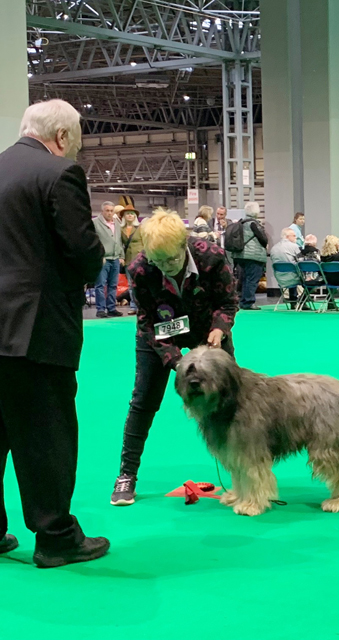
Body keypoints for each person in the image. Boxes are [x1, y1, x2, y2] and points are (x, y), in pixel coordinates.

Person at [0, 99, 110, 567]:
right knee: (47, 434)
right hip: (36, 326)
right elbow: (84, 253)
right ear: (63, 137)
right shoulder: (59, 174)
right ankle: (55, 536)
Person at [111, 209, 238, 506]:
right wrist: (176, 361)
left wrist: (219, 329)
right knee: (143, 401)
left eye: (171, 260)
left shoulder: (212, 257)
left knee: (232, 397)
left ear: (184, 245)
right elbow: (146, 321)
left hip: (208, 333)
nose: (166, 268)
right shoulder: (141, 268)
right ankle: (126, 474)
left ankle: (240, 474)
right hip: (160, 334)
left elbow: (228, 302)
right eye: (159, 261)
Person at [232, 201, 268, 311]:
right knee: (252, 279)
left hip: (240, 255)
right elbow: (263, 239)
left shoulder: (241, 222)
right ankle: (249, 302)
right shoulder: (254, 223)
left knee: (244, 278)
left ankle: (242, 301)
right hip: (253, 255)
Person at [93, 201, 124, 318]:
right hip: (103, 259)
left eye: (111, 211)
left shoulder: (117, 223)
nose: (110, 213)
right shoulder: (95, 223)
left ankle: (111, 308)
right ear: (102, 211)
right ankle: (100, 309)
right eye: (107, 210)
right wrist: (98, 256)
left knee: (113, 285)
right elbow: (93, 242)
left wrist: (121, 256)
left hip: (115, 258)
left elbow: (119, 241)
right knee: (100, 285)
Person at [119, 205, 143, 316]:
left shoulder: (140, 228)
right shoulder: (120, 229)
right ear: (124, 216)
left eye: (132, 214)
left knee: (141, 284)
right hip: (128, 260)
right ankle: (133, 306)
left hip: (140, 259)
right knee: (130, 285)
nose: (130, 215)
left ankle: (142, 306)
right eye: (127, 213)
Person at [270, 228, 302, 307]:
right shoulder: (295, 246)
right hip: (294, 278)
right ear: (287, 237)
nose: (296, 238)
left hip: (280, 278)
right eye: (294, 236)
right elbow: (301, 262)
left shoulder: (274, 248)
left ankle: (293, 301)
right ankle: (303, 301)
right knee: (307, 279)